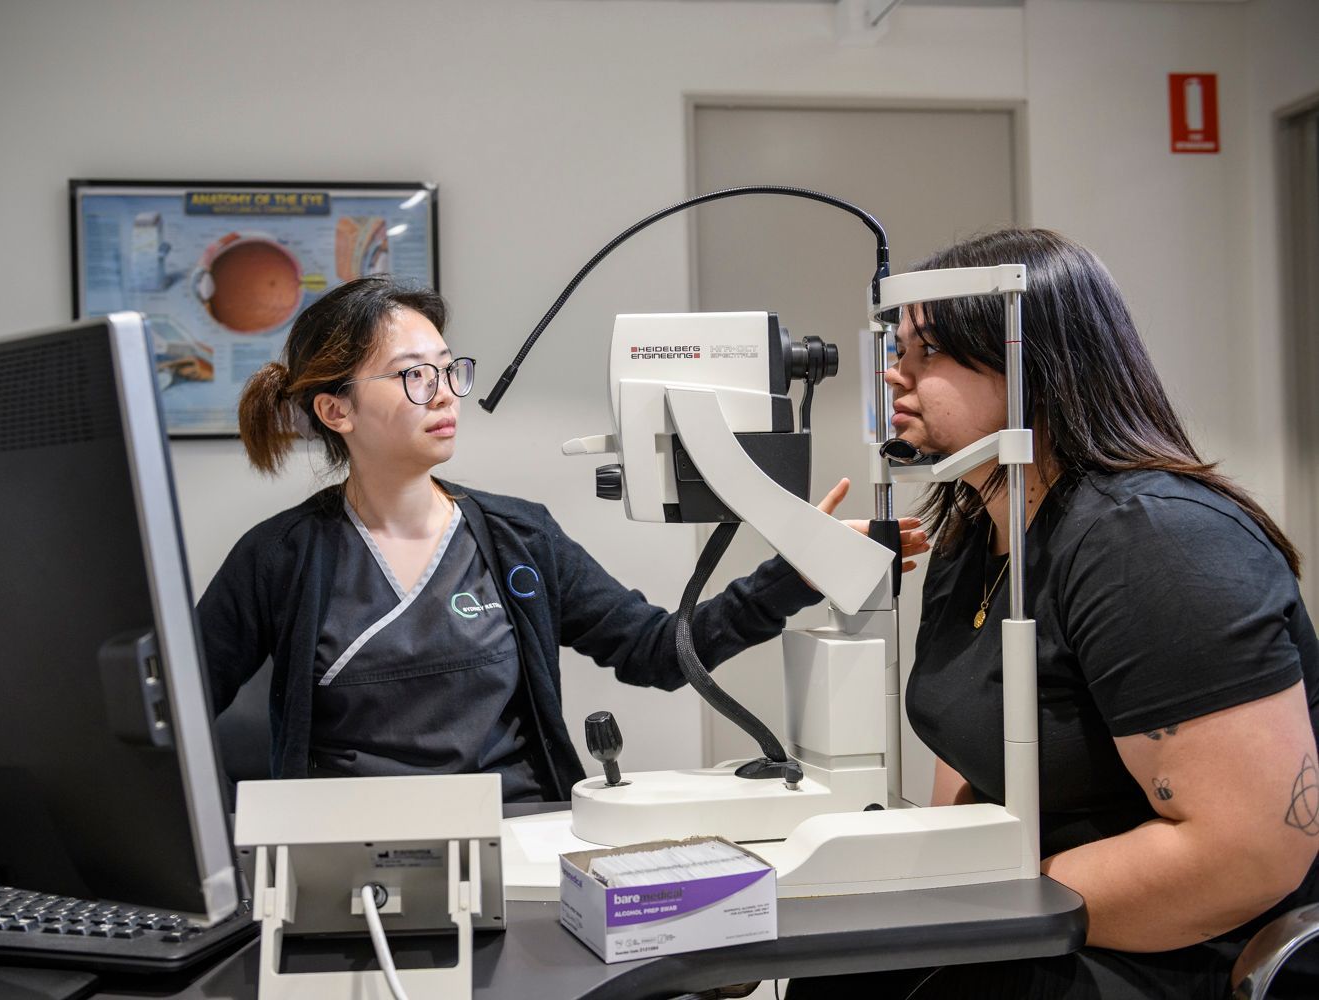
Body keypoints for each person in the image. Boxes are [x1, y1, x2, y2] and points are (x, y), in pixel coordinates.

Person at [789, 228, 1319, 999]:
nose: (894, 378)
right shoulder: (977, 535)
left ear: (1026, 362)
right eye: (897, 350)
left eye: (926, 352)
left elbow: (1246, 854)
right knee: (832, 973)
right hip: (1038, 911)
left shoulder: (1152, 543)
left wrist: (984, 902)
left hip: (1179, 945)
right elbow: (972, 772)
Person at [196, 275, 927, 802]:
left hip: (519, 844)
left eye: (450, 370)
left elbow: (658, 653)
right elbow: (178, 713)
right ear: (336, 409)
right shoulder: (280, 559)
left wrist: (793, 575)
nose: (447, 391)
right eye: (415, 376)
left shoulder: (517, 539)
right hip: (351, 867)